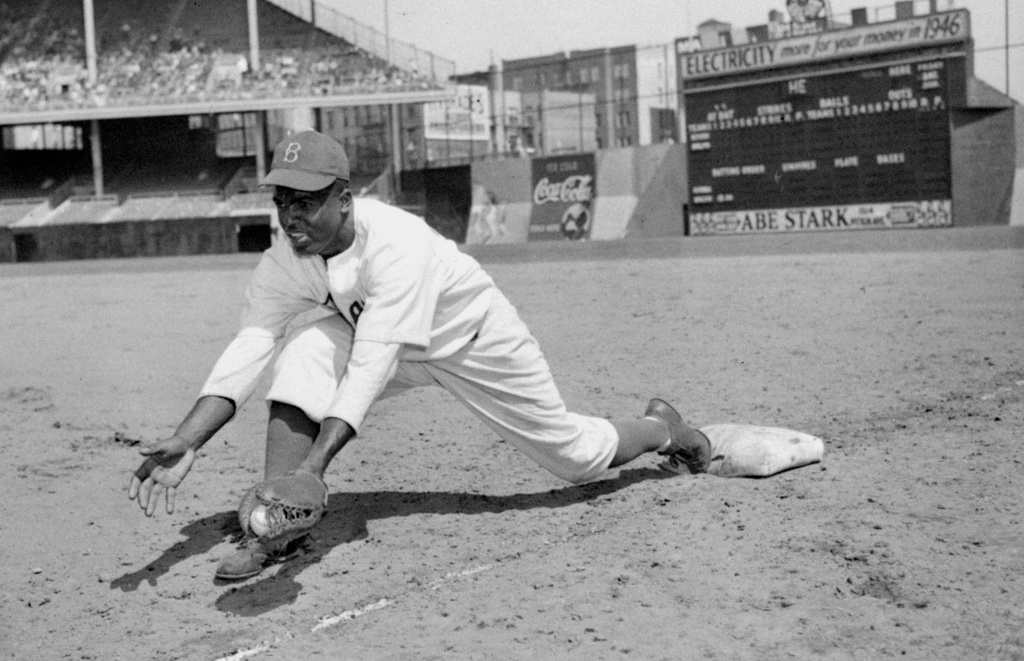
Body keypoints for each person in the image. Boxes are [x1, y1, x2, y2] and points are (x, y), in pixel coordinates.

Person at [128, 130, 711, 580]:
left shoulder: (397, 244)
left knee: (573, 457)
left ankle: (659, 427)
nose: (291, 216)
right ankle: (276, 522)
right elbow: (251, 344)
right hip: (385, 343)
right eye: (283, 200)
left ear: (345, 199)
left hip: (474, 342)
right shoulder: (288, 257)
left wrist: (314, 473)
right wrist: (189, 437)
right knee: (305, 350)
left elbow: (369, 368)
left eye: (306, 201)